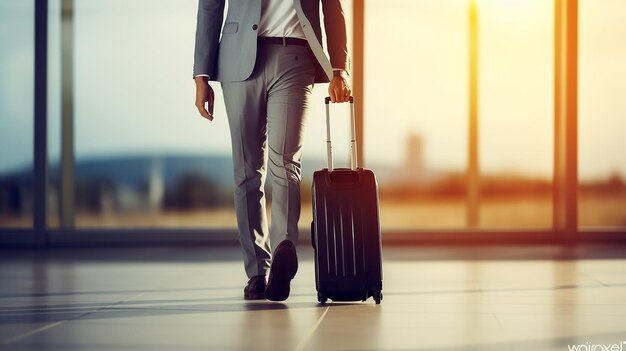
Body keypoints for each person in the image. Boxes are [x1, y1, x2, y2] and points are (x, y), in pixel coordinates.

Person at [193, 0, 351, 301]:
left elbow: (333, 6)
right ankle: (257, 271)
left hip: (296, 54)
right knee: (246, 171)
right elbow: (209, 5)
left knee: (285, 162)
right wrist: (201, 73)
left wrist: (339, 68)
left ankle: (283, 251)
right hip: (237, 58)